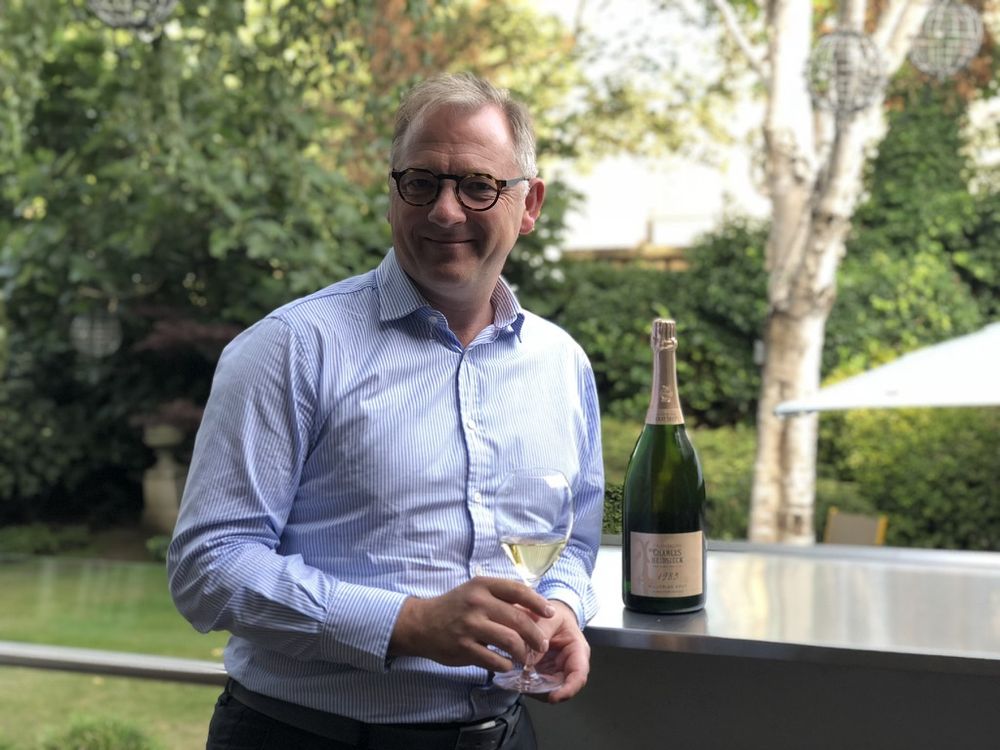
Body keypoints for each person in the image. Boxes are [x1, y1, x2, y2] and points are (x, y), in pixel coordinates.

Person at [167, 72, 604, 750]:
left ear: (530, 204)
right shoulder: (290, 348)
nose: (446, 212)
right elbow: (208, 566)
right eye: (421, 183)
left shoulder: (562, 365)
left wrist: (563, 608)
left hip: (503, 736)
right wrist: (406, 624)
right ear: (393, 193)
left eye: (478, 186)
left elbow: (575, 540)